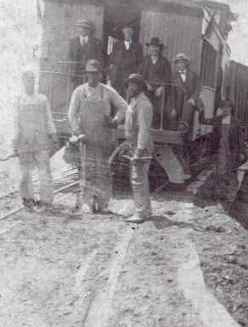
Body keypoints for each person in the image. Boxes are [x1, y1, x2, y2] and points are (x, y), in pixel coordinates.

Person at [67, 59, 127, 214]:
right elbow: (71, 114)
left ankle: (103, 204)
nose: (93, 77)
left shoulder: (108, 91)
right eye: (90, 74)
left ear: (100, 74)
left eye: (96, 74)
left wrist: (115, 120)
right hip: (86, 138)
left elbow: (124, 107)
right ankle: (87, 203)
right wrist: (78, 132)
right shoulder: (79, 91)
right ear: (86, 74)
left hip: (104, 137)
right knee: (87, 171)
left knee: (103, 171)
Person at [12, 71, 57, 209]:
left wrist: (53, 134)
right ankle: (27, 198)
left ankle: (46, 200)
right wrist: (15, 140)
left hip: (40, 140)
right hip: (25, 141)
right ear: (23, 82)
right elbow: (16, 122)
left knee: (44, 171)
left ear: (34, 82)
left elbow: (48, 118)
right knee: (25, 172)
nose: (29, 83)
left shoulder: (42, 99)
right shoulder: (19, 99)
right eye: (27, 81)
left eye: (31, 81)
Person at [124, 73, 154, 223]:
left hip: (141, 145)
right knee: (140, 177)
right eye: (130, 84)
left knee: (138, 178)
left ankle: (141, 212)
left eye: (134, 84)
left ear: (141, 87)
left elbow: (143, 129)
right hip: (134, 143)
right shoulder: (134, 102)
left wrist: (140, 150)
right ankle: (145, 209)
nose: (131, 87)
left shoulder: (144, 104)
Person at [139, 37, 172, 128]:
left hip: (160, 90)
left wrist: (161, 88)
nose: (155, 49)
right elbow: (139, 75)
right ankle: (144, 125)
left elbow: (168, 76)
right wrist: (145, 84)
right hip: (146, 88)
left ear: (159, 49)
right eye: (153, 47)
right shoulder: (144, 60)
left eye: (157, 47)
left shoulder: (164, 61)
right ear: (149, 48)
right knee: (144, 102)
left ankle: (155, 127)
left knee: (160, 107)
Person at [108, 25, 143, 97]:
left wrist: (136, 74)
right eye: (126, 32)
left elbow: (140, 62)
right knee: (116, 95)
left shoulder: (137, 46)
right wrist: (110, 77)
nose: (127, 34)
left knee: (128, 95)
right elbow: (111, 62)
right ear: (123, 33)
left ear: (132, 33)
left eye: (129, 32)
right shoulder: (117, 45)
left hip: (129, 75)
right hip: (117, 75)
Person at [175, 52, 204, 138]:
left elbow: (198, 87)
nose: (181, 64)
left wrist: (193, 98)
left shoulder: (193, 74)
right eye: (178, 62)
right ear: (176, 64)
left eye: (182, 62)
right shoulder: (173, 76)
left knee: (188, 104)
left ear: (186, 63)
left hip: (191, 99)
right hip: (178, 100)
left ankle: (183, 125)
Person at [68, 19, 104, 87]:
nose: (83, 30)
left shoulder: (96, 42)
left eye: (86, 28)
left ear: (89, 30)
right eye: (81, 28)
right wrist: (71, 71)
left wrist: (99, 72)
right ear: (78, 29)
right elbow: (70, 57)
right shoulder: (73, 42)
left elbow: (100, 58)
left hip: (90, 72)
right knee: (77, 90)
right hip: (76, 72)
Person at [215, 98, 235, 177]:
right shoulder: (217, 120)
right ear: (221, 109)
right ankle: (221, 182)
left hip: (232, 146)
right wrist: (201, 110)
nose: (225, 110)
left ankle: (229, 180)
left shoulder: (235, 121)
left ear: (230, 109)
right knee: (221, 163)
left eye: (227, 107)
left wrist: (241, 151)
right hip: (221, 146)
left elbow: (240, 138)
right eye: (223, 108)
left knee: (231, 164)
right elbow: (203, 121)